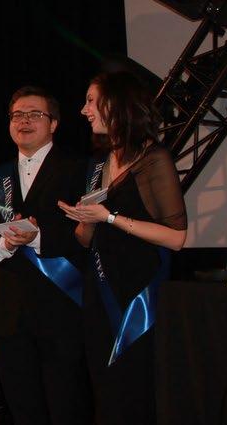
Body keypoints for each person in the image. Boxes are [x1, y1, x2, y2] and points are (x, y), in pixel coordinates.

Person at [59, 71, 186, 425]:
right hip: (99, 290)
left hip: (137, 293)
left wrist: (110, 217)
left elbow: (177, 237)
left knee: (135, 389)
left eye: (91, 101)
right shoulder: (98, 163)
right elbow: (85, 240)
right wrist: (85, 219)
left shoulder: (153, 158)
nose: (84, 110)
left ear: (116, 104)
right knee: (106, 390)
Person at [0, 87, 91, 425]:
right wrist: (6, 243)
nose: (24, 121)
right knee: (23, 407)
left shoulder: (80, 169)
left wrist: (38, 237)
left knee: (68, 405)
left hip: (62, 308)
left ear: (53, 123)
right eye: (17, 115)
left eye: (34, 114)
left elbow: (89, 232)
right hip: (9, 313)